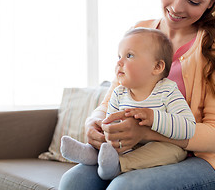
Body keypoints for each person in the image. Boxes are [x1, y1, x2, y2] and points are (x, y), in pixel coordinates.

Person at [59, 0, 215, 189]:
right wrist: (94, 123)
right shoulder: (141, 30)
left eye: (194, 1)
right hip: (131, 151)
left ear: (212, 1)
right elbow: (113, 96)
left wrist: (147, 133)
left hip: (200, 161)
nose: (177, 7)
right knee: (74, 181)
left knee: (125, 187)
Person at [60, 28, 196, 180]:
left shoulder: (167, 91)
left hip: (160, 144)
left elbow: (188, 128)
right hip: (128, 145)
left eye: (129, 55)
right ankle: (91, 154)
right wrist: (108, 131)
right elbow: (111, 122)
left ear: (157, 67)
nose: (119, 62)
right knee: (111, 140)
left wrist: (153, 117)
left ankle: (119, 164)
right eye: (119, 56)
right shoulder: (119, 93)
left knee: (168, 150)